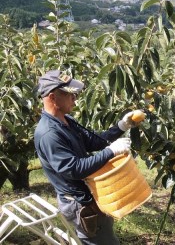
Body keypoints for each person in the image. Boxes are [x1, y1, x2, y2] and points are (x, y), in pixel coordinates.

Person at [34, 69, 140, 245]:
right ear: (52, 98)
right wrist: (110, 152)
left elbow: (94, 142)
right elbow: (73, 169)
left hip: (89, 197)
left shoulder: (65, 121)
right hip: (79, 205)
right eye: (70, 96)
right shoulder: (49, 134)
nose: (75, 100)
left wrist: (121, 126)